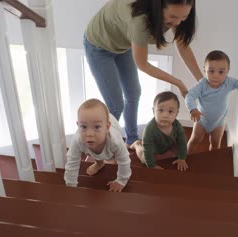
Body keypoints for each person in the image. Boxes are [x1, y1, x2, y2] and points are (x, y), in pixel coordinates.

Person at [83, 0, 203, 147]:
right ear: (159, 7)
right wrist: (178, 82)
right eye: (173, 17)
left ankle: (132, 139)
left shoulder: (177, 13)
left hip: (123, 44)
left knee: (133, 94)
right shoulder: (139, 19)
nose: (178, 22)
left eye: (184, 17)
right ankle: (99, 148)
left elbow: (182, 46)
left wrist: (202, 81)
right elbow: (143, 64)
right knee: (116, 105)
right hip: (99, 46)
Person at [185, 50, 238, 153]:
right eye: (211, 71)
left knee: (215, 144)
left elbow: (237, 82)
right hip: (201, 121)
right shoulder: (202, 85)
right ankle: (186, 157)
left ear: (227, 71)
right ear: (205, 70)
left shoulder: (228, 82)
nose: (216, 76)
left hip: (218, 123)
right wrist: (193, 109)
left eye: (221, 72)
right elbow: (189, 96)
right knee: (194, 140)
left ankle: (211, 160)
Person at [64, 99, 131, 192]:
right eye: (83, 127)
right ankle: (100, 163)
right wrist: (71, 186)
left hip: (112, 135)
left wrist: (121, 181)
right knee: (93, 149)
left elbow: (124, 160)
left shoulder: (115, 140)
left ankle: (109, 159)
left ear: (107, 127)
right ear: (78, 125)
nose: (89, 134)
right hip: (96, 146)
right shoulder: (78, 140)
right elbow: (72, 163)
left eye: (97, 127)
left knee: (115, 155)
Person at [130, 91, 188, 171]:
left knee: (177, 150)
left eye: (170, 111)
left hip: (167, 145)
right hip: (152, 149)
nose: (165, 115)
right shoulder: (149, 129)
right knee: (144, 159)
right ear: (153, 111)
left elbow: (182, 142)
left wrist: (182, 158)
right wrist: (152, 166)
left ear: (176, 114)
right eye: (160, 110)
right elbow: (147, 151)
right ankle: (137, 145)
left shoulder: (177, 126)